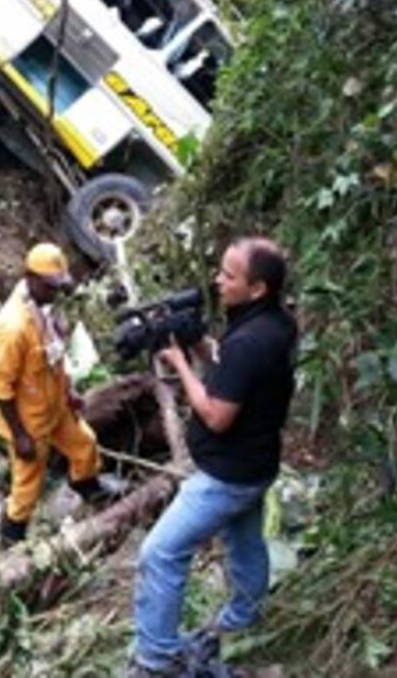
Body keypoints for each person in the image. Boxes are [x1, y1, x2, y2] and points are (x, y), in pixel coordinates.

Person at [129, 237, 297, 677]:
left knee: (160, 553)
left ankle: (155, 660)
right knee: (244, 542)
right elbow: (235, 372)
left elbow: (217, 416)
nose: (218, 281)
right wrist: (199, 344)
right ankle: (243, 618)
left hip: (227, 475)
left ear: (257, 288)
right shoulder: (276, 323)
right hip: (257, 463)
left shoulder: (250, 341)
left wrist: (180, 364)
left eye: (229, 275)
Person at [0, 242, 118, 546]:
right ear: (30, 278)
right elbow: (1, 388)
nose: (56, 293)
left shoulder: (46, 308)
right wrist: (20, 436)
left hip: (56, 406)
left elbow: (55, 358)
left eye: (59, 286)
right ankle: (12, 537)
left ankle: (87, 487)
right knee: (27, 486)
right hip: (28, 421)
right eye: (50, 287)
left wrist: (69, 391)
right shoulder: (13, 327)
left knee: (85, 444)